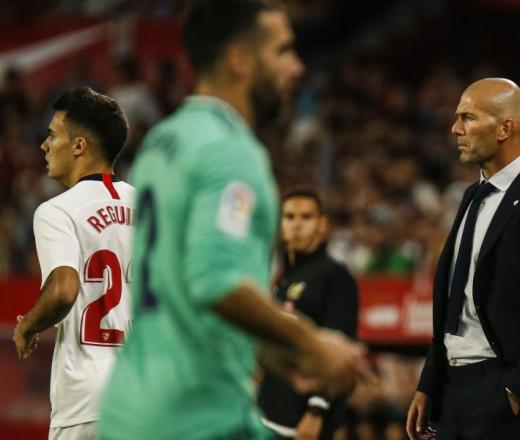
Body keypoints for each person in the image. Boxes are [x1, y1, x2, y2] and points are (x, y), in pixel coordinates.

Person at [99, 1, 372, 439]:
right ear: (240, 60)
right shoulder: (231, 151)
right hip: (194, 416)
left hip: (131, 409)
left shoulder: (163, 140)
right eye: (283, 51)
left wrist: (281, 351)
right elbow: (216, 282)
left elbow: (185, 294)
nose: (297, 67)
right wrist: (312, 344)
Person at [405, 78, 520, 440]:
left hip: (501, 390)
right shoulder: (472, 195)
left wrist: (516, 391)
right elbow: (453, 305)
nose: (456, 129)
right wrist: (429, 382)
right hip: (453, 391)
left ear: (505, 128)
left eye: (468, 118)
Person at [12, 87, 132, 440]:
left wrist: (27, 326)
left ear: (79, 146)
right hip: (147, 396)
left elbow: (64, 289)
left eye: (52, 135)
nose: (44, 145)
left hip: (87, 402)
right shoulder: (153, 210)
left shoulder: (57, 211)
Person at [259, 187, 359, 440]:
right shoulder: (282, 278)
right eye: (289, 217)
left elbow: (339, 349)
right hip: (271, 413)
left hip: (305, 419)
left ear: (322, 225)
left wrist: (317, 410)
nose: (296, 225)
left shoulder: (334, 276)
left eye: (306, 217)